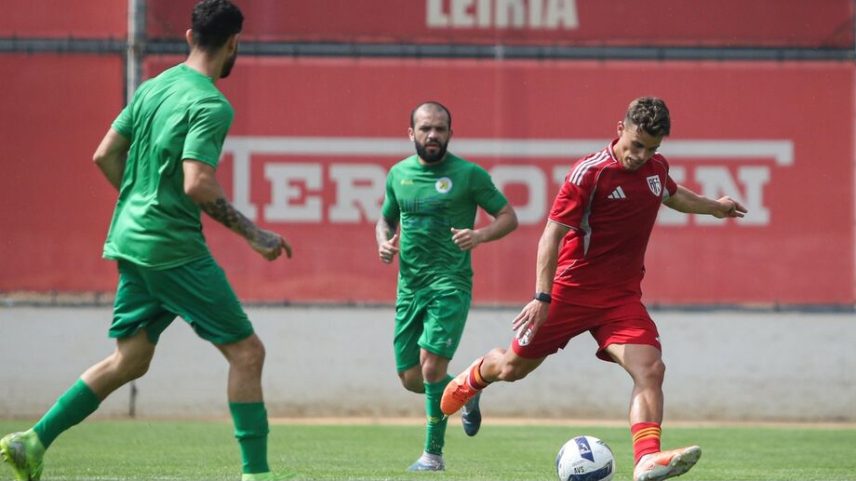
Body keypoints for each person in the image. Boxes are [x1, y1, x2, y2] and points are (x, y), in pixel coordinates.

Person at [0, 2, 291, 481]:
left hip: (129, 238)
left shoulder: (153, 87)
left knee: (130, 359)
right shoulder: (211, 103)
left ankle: (32, 441)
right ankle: (257, 475)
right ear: (234, 43)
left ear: (187, 35)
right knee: (247, 353)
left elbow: (104, 154)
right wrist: (255, 235)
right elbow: (198, 182)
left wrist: (142, 200)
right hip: (169, 246)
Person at [440, 97, 748, 481]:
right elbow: (551, 236)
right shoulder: (589, 172)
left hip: (620, 299)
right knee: (511, 369)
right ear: (620, 129)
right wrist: (542, 296)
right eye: (636, 145)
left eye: (651, 148)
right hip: (569, 291)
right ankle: (476, 376)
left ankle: (646, 459)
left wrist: (714, 207)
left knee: (651, 369)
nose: (641, 155)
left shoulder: (656, 167)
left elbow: (672, 194)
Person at [376, 101, 518, 472]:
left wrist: (480, 235)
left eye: (440, 128)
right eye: (425, 128)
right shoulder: (398, 175)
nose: (433, 135)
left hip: (449, 284)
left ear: (451, 134)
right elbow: (385, 220)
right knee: (410, 379)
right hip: (409, 287)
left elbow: (508, 217)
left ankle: (432, 455)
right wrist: (383, 240)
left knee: (431, 370)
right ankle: (467, 389)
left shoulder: (469, 175)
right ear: (412, 134)